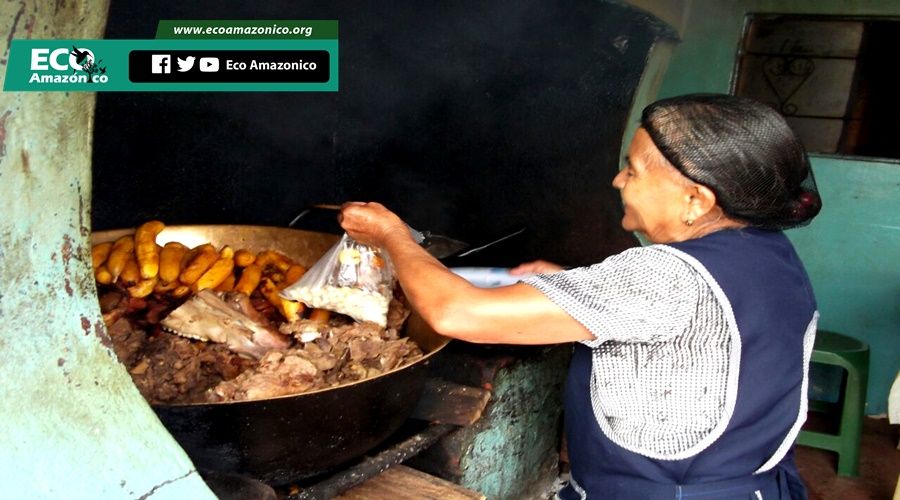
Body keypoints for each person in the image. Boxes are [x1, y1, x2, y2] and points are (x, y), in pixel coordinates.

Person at [338, 93, 822, 499]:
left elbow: (456, 311)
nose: (617, 181)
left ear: (696, 199)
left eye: (632, 171)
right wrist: (574, 282)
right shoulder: (767, 250)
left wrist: (392, 236)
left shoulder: (664, 276)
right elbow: (689, 317)